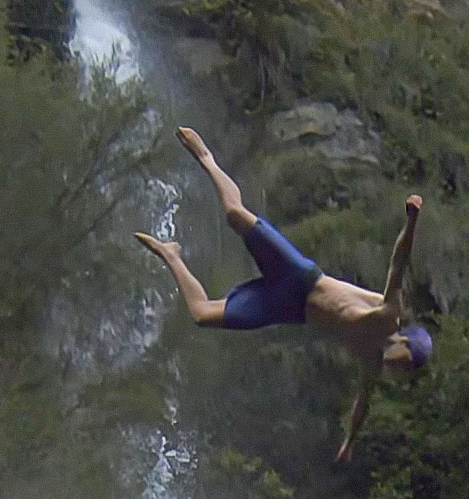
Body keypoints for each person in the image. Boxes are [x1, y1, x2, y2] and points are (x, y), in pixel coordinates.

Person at [136, 128, 432, 462]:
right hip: (300, 277)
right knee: (234, 214)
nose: (401, 370)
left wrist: (349, 442)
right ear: (405, 343)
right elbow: (398, 265)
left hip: (287, 309)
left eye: (407, 371)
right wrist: (412, 220)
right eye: (407, 363)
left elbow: (362, 404)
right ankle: (207, 157)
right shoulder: (387, 315)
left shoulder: (371, 362)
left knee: (202, 315)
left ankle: (170, 254)